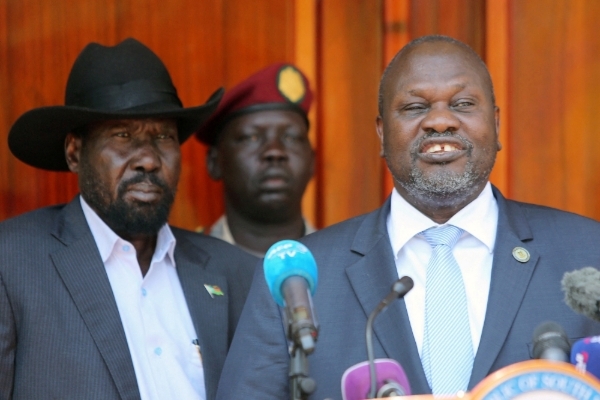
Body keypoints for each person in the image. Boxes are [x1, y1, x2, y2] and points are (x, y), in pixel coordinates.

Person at [216, 35, 600, 399]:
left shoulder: (588, 253)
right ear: (382, 134)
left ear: (496, 124)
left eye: (463, 104)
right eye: (415, 107)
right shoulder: (296, 279)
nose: (439, 122)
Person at [0, 38, 257, 400]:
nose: (148, 160)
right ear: (75, 153)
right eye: (122, 135)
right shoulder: (13, 263)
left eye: (163, 136)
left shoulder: (233, 272)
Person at [195, 63, 316, 257]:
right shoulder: (182, 267)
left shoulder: (344, 265)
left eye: (291, 137)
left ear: (312, 161)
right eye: (252, 138)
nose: (275, 152)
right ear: (214, 162)